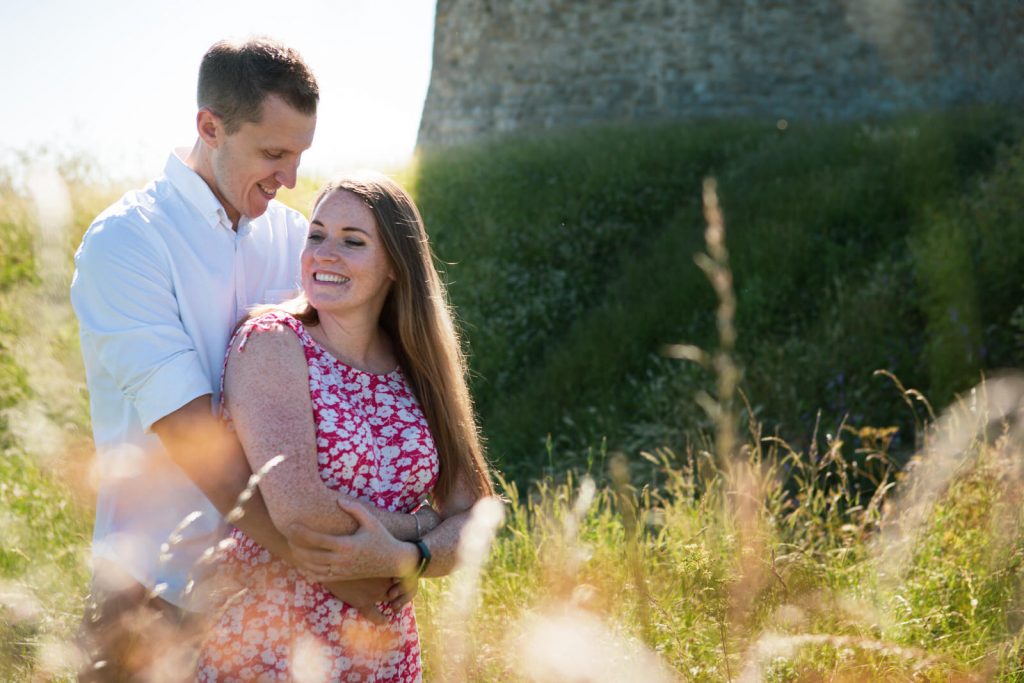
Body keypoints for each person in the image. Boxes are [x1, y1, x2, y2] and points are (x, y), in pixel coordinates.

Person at [70, 38, 402, 681]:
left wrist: (400, 543)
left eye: (300, 155)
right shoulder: (127, 243)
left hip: (274, 604)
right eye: (274, 153)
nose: (290, 178)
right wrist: (334, 568)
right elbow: (193, 435)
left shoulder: (293, 240)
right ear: (209, 128)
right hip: (152, 592)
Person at [197, 172, 494, 681]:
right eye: (316, 235)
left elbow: (479, 515)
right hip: (273, 645)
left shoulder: (418, 367)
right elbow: (301, 512)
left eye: (352, 241)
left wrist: (414, 557)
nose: (324, 253)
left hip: (385, 654)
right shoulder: (272, 342)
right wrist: (420, 533)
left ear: (395, 268)